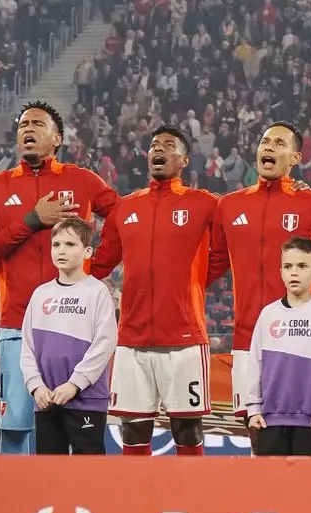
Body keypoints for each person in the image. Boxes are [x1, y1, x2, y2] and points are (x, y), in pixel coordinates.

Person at [0, 102, 117, 455]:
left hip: (76, 326)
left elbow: (126, 219)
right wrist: (31, 220)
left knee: (74, 427)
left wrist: (93, 268)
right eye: (22, 124)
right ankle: (17, 506)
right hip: (18, 325)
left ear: (57, 138)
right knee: (15, 426)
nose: (27, 128)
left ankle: (76, 504)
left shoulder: (81, 180)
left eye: (37, 123)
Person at [92, 127, 227, 458]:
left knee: (187, 428)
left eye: (169, 145)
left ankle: (191, 504)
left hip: (184, 339)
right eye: (154, 145)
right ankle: (138, 506)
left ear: (183, 160)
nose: (159, 150)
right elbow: (99, 266)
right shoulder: (123, 209)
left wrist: (191, 282)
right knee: (134, 430)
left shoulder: (205, 204)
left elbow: (225, 252)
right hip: (132, 340)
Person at [219, 122, 311, 428]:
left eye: (279, 144)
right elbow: (213, 261)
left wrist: (310, 299)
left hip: (302, 338)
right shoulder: (230, 205)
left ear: (296, 158)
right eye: (265, 142)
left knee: (305, 428)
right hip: (246, 337)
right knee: (254, 427)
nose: (269, 147)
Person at [235, 238, 311, 457]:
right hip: (270, 420)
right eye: (288, 266)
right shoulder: (268, 314)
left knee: (310, 489)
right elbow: (255, 363)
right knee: (273, 489)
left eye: (302, 266)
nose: (294, 272)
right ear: (281, 272)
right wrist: (253, 409)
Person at [20, 217, 118, 456]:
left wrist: (74, 384)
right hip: (47, 400)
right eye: (56, 244)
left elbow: (105, 343)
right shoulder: (40, 294)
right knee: (49, 476)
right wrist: (36, 387)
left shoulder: (97, 292)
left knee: (90, 474)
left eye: (70, 245)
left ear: (87, 252)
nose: (61, 250)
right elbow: (27, 348)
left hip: (87, 400)